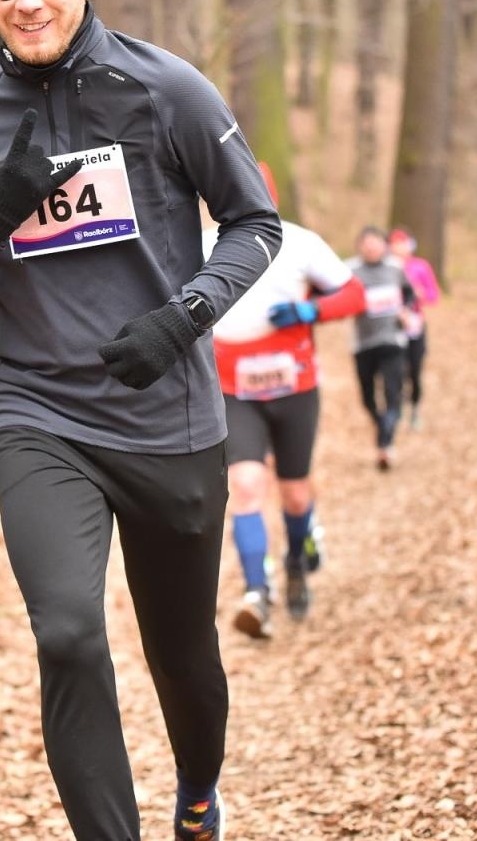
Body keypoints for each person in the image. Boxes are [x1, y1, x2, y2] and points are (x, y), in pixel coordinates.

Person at [0, 0, 280, 841]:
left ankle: (197, 793)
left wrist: (182, 317)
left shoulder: (167, 90)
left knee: (183, 658)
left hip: (168, 415)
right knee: (68, 634)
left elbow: (255, 224)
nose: (27, 0)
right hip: (40, 413)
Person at [205, 163, 364, 639]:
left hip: (295, 389)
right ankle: (257, 592)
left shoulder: (300, 243)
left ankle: (296, 560)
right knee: (246, 485)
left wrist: (310, 310)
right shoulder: (203, 244)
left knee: (295, 493)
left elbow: (354, 295)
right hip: (234, 391)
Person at [348, 227, 417, 471]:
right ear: (359, 247)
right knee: (368, 399)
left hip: (392, 340)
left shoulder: (395, 267)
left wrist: (406, 311)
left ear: (383, 246)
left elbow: (409, 293)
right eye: (366, 244)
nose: (371, 248)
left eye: (375, 243)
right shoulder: (350, 270)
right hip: (362, 343)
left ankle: (385, 444)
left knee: (392, 393)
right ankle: (381, 426)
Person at [387, 228, 439, 430]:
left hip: (416, 325)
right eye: (394, 243)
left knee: (415, 370)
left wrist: (420, 294)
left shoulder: (420, 266)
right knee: (395, 370)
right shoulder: (387, 267)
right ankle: (396, 408)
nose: (398, 248)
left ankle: (415, 408)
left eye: (402, 243)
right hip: (392, 326)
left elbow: (433, 295)